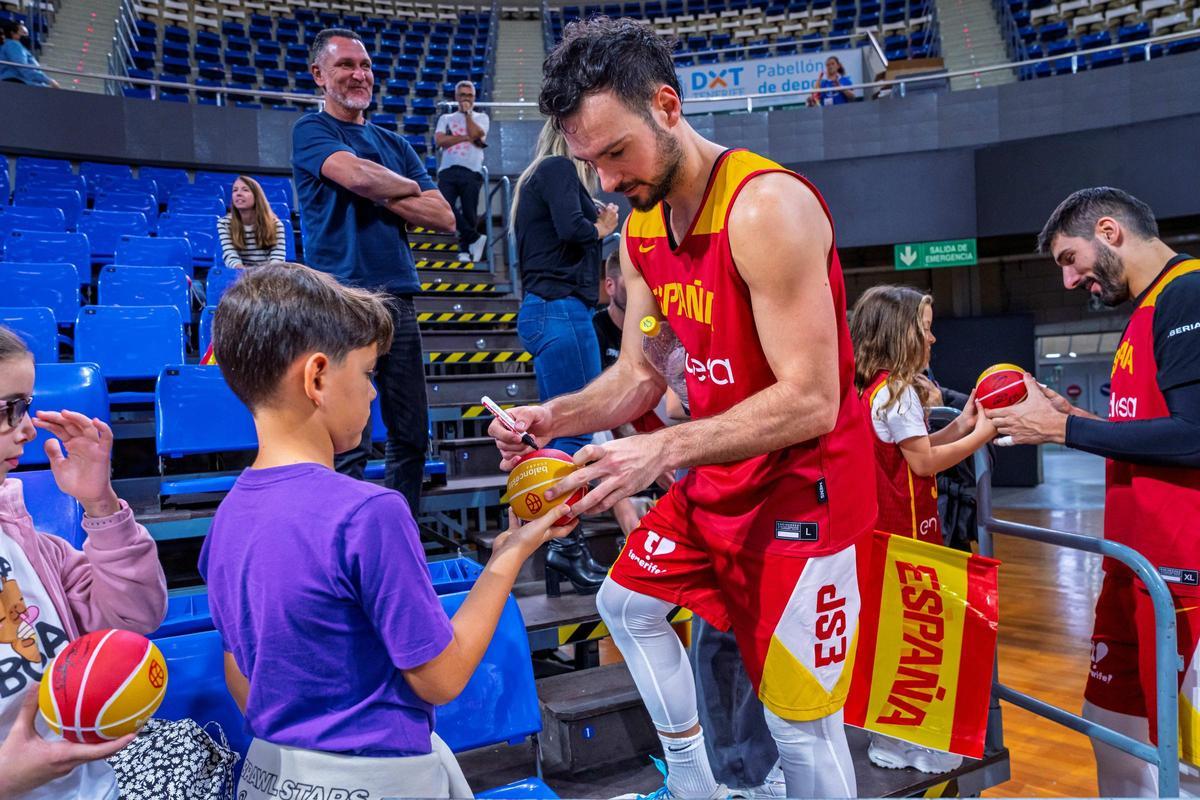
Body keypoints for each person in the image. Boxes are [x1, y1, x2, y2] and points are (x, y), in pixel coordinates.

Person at [491, 18, 877, 799]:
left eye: (614, 153)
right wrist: (553, 419)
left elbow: (812, 398)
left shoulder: (765, 209)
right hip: (718, 479)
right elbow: (637, 374)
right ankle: (698, 784)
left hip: (805, 492)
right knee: (625, 605)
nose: (604, 181)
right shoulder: (639, 230)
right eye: (587, 162)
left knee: (804, 730)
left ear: (667, 105)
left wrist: (662, 451)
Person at [199, 263, 575, 800]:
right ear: (318, 377)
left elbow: (241, 681)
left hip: (267, 775)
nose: (374, 393)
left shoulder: (228, 514)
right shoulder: (369, 512)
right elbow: (440, 679)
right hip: (374, 779)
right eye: (369, 372)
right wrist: (508, 557)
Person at [986, 187, 1200, 797]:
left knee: (1183, 760)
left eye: (1069, 259)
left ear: (1109, 231)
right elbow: (1152, 431)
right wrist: (1076, 422)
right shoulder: (1145, 310)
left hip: (1186, 573)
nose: (1070, 279)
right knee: (1109, 729)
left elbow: (1197, 434)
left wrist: (1063, 428)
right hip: (1134, 564)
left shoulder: (1188, 292)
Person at [291, 27, 455, 514]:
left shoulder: (394, 142)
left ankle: (397, 528)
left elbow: (444, 217)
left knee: (410, 431)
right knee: (348, 437)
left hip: (397, 298)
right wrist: (406, 191)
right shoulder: (311, 130)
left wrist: (380, 185)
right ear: (319, 75)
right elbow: (356, 176)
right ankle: (342, 537)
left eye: (364, 65)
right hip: (340, 299)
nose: (359, 74)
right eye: (345, 65)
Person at [0, 326, 168, 800]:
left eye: (26, 407)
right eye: (7, 411)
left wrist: (100, 504)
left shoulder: (29, 541)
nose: (28, 429)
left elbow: (136, 619)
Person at [850, 285, 998, 774]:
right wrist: (983, 434)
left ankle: (894, 743)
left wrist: (964, 424)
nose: (933, 339)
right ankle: (909, 743)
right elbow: (924, 463)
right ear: (900, 334)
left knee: (896, 644)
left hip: (889, 539)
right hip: (905, 541)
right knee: (913, 646)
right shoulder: (897, 393)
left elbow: (917, 445)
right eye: (925, 328)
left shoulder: (878, 391)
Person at [511, 120, 619, 595]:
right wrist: (604, 226)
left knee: (567, 430)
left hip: (554, 311)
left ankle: (563, 545)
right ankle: (564, 546)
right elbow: (573, 230)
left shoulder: (542, 176)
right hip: (559, 312)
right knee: (574, 432)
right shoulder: (556, 168)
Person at [434, 80, 490, 264]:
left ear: (474, 97)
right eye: (463, 95)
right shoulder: (446, 119)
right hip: (448, 169)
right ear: (456, 97)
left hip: (471, 170)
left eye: (470, 95)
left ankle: (465, 250)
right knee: (445, 205)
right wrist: (467, 137)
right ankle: (475, 238)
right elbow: (440, 141)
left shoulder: (482, 118)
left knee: (469, 212)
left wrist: (467, 116)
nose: (466, 98)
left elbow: (478, 135)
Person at [217, 176, 288, 269]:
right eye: (235, 190)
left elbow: (277, 259)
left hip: (268, 275)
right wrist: (245, 273)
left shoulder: (276, 225)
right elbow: (230, 257)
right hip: (238, 274)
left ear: (257, 197)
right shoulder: (224, 223)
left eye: (245, 190)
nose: (238, 194)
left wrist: (260, 277)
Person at [0, 21, 58, 88]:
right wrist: (48, 81)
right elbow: (23, 67)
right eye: (21, 31)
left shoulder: (7, 45)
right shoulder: (13, 45)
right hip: (16, 82)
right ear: (13, 33)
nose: (25, 34)